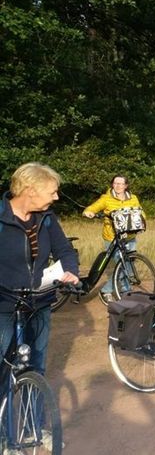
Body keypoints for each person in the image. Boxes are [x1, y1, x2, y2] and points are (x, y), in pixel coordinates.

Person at [0, 163, 80, 381]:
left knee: (36, 368)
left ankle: (34, 416)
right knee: (2, 367)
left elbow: (64, 249)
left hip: (39, 301)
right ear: (30, 190)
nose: (56, 197)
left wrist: (72, 271)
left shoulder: (47, 218)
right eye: (52, 191)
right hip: (4, 305)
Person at [82, 174, 142, 297]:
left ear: (126, 186)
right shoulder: (106, 198)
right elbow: (91, 208)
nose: (117, 186)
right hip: (112, 237)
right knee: (121, 264)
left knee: (128, 264)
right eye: (115, 183)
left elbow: (140, 212)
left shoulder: (133, 198)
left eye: (121, 184)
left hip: (129, 237)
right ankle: (126, 291)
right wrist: (88, 213)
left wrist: (141, 223)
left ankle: (106, 289)